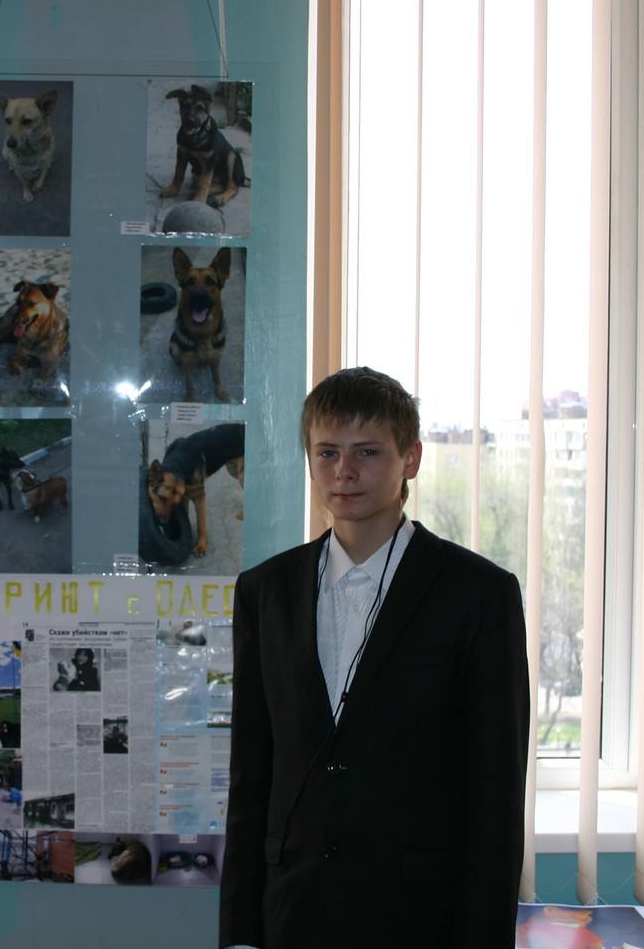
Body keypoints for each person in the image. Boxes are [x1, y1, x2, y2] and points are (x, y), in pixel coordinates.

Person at [219, 367, 530, 949]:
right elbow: (252, 774)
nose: (345, 471)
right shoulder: (266, 591)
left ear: (410, 458)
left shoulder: (478, 593)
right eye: (327, 452)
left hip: (419, 917)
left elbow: (497, 793)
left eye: (367, 451)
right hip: (292, 913)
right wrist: (240, 934)